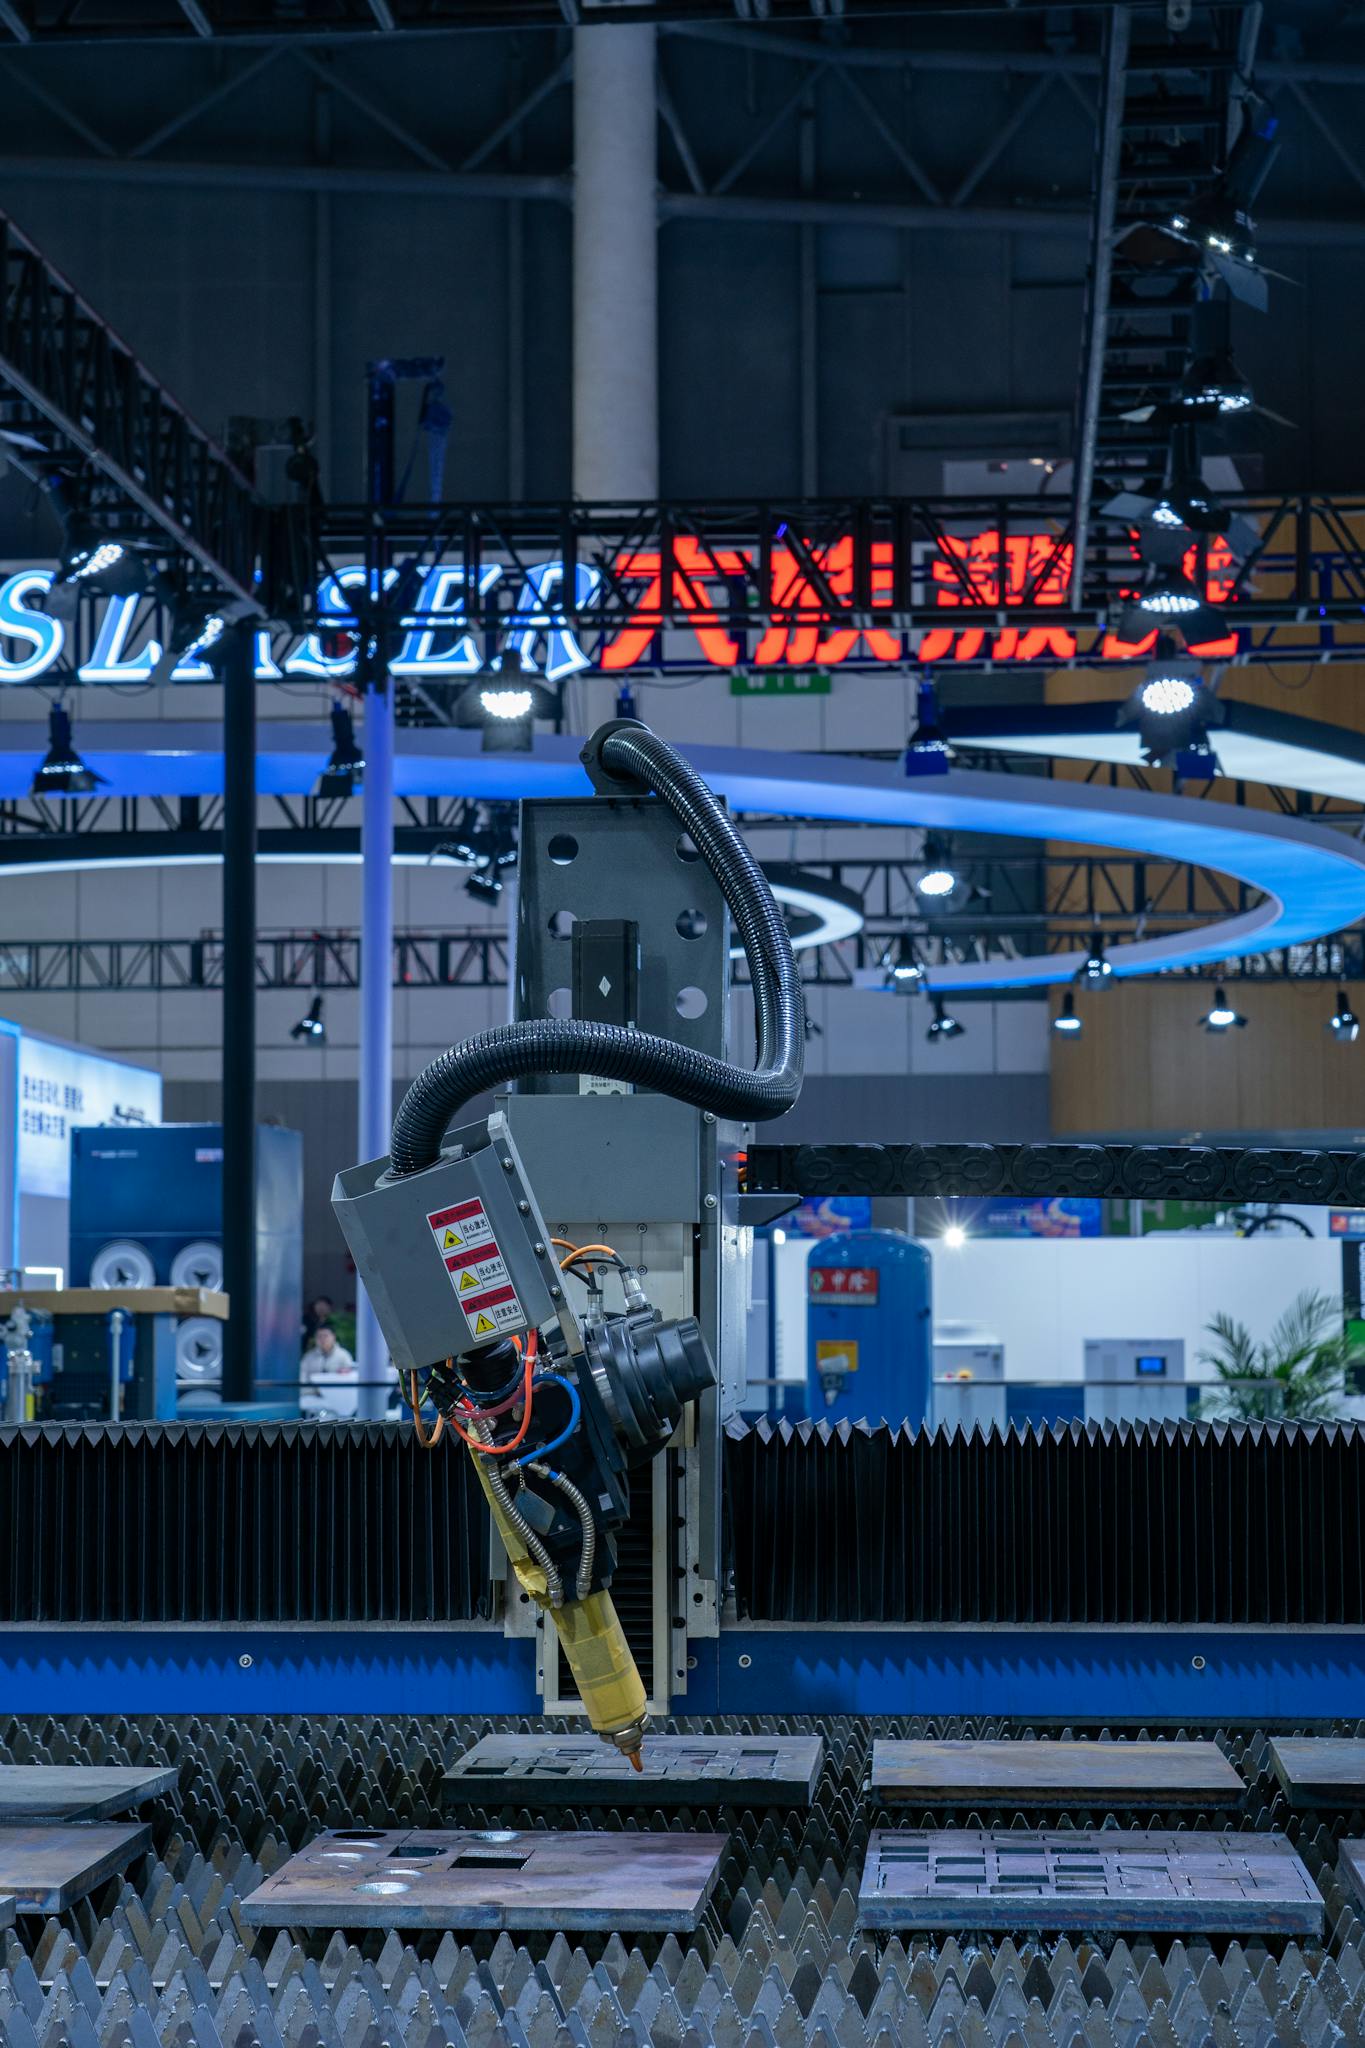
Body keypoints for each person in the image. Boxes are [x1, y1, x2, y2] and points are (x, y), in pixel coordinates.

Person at [300, 1323, 359, 1420]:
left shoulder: (343, 1356)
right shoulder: (308, 1357)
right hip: (313, 1397)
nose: (322, 1339)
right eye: (319, 1336)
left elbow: (350, 1380)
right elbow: (302, 1380)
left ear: (333, 1337)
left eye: (325, 1336)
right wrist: (316, 1391)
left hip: (338, 1400)